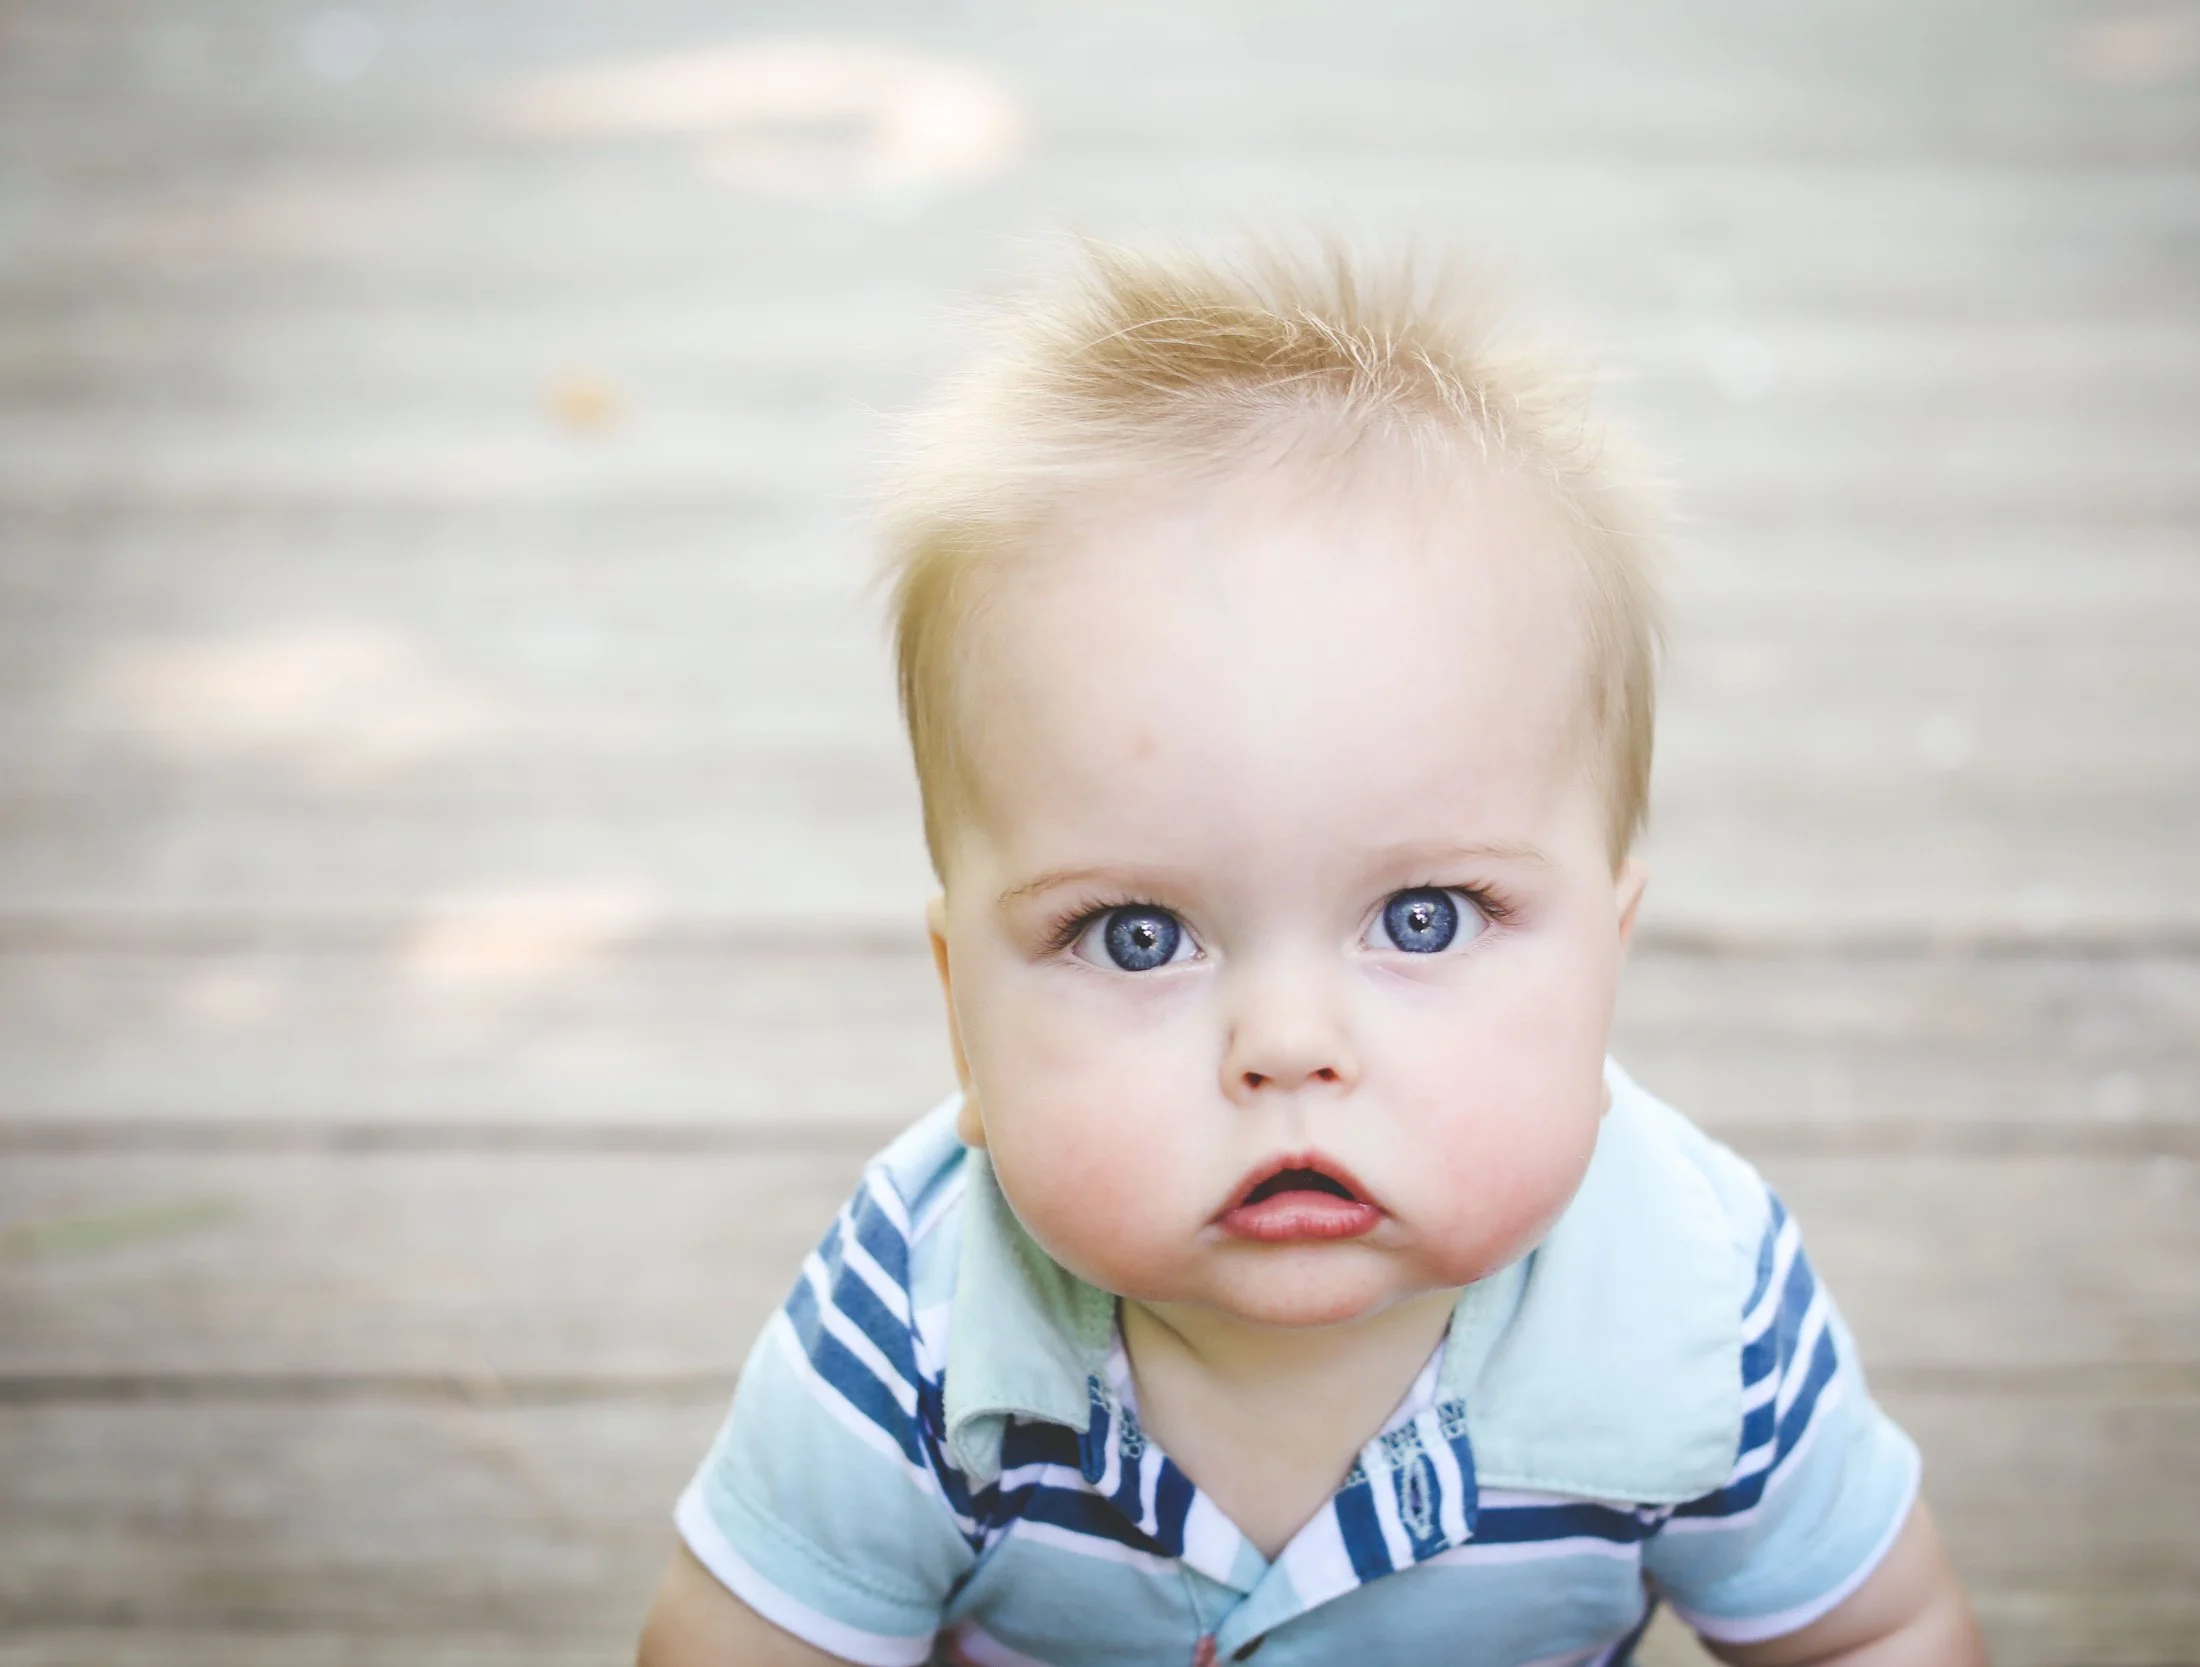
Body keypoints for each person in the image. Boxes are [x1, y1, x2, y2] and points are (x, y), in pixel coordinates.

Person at [638, 242, 1986, 1667]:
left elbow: (1871, 1631)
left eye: (1424, 917)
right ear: (964, 1025)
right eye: (1137, 934)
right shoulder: (916, 1329)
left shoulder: (1699, 1311)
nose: (1286, 1041)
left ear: (1608, 965)